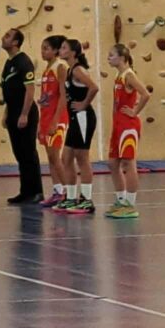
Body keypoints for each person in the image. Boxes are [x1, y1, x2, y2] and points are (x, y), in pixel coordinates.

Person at [105, 44, 151, 220]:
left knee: (128, 163)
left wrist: (135, 111)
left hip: (128, 125)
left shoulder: (129, 75)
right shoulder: (119, 76)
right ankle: (121, 200)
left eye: (111, 55)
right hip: (118, 125)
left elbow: (145, 94)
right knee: (112, 163)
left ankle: (130, 205)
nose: (108, 58)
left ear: (122, 58)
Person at [54, 39, 98, 214]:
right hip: (74, 118)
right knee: (66, 157)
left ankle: (86, 200)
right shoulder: (70, 70)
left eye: (64, 48)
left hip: (83, 117)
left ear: (73, 52)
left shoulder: (78, 70)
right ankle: (71, 198)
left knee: (82, 158)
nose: (61, 50)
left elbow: (94, 87)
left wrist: (84, 104)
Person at [0, 28, 42, 204]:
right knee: (20, 155)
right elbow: (9, 91)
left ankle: (37, 191)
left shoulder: (23, 62)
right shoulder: (9, 63)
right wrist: (7, 113)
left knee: (28, 153)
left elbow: (30, 90)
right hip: (13, 112)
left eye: (8, 36)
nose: (3, 38)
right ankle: (25, 191)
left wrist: (24, 114)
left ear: (16, 42)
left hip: (25, 113)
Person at [38, 35, 69, 208]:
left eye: (46, 48)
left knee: (55, 157)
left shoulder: (60, 67)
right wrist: (40, 123)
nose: (42, 51)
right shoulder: (46, 70)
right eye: (42, 48)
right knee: (50, 157)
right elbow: (45, 98)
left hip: (57, 118)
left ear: (56, 50)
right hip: (46, 117)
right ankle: (58, 191)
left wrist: (55, 121)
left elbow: (64, 96)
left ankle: (69, 194)